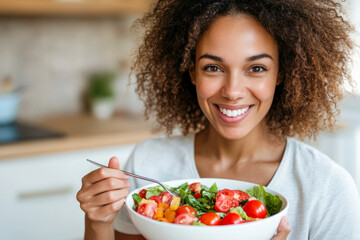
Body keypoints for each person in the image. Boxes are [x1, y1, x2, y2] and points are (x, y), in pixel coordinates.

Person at [76, 0, 360, 239]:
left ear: (282, 74)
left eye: (257, 68)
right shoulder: (149, 163)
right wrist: (98, 222)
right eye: (213, 67)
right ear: (192, 72)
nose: (232, 91)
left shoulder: (326, 188)